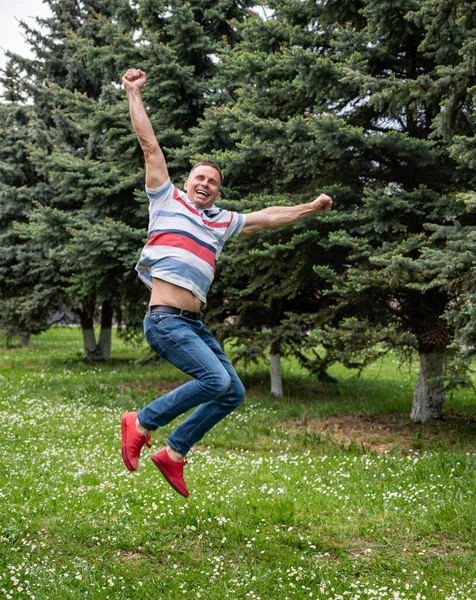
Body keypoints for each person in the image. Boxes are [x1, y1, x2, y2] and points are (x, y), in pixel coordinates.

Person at [121, 68, 333, 498]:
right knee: (214, 382)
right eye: (200, 177)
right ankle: (141, 422)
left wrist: (310, 208)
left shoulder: (221, 221)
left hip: (194, 323)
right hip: (164, 320)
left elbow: (269, 215)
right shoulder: (166, 198)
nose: (205, 184)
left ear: (218, 192)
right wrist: (132, 93)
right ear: (187, 182)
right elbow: (149, 146)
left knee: (232, 391)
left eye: (213, 182)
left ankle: (174, 452)